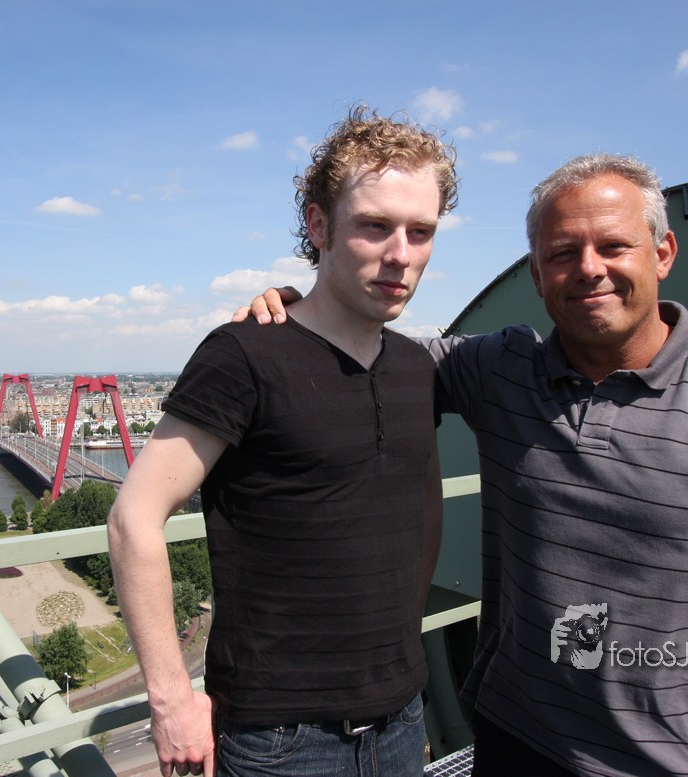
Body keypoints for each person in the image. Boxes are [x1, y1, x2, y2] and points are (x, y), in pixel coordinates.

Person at [239, 153, 688, 776]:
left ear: (663, 253)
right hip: (518, 742)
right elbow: (368, 354)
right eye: (563, 253)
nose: (589, 269)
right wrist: (302, 312)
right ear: (537, 275)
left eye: (614, 246)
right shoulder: (500, 369)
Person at [106, 106, 458, 777]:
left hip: (402, 718)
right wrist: (172, 700)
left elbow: (423, 507)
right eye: (375, 225)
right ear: (319, 226)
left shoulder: (419, 369)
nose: (401, 254)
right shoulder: (243, 355)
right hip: (281, 740)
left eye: (421, 232)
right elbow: (133, 519)